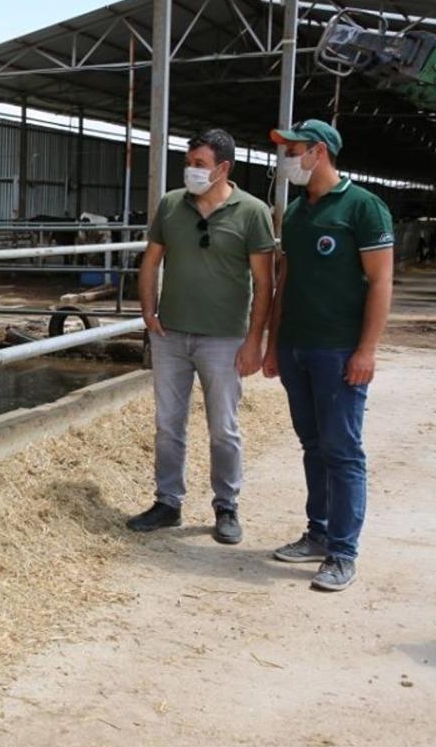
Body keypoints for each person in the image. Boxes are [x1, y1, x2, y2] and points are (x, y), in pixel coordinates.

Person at [263, 119, 394, 592]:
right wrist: (274, 344)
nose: (286, 160)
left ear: (319, 152)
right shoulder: (298, 212)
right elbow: (285, 282)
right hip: (297, 347)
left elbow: (380, 281)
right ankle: (318, 533)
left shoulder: (363, 207)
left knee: (342, 451)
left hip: (338, 350)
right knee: (314, 445)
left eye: (293, 150)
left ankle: (342, 552)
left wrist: (367, 349)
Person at [128, 128, 275, 543]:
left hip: (225, 339)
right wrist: (148, 311)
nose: (190, 171)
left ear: (222, 168)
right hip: (171, 335)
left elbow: (264, 282)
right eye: (188, 163)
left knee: (223, 427)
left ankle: (226, 506)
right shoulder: (171, 205)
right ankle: (168, 502)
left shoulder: (252, 212)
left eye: (199, 164)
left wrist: (254, 339)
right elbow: (151, 261)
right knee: (167, 424)